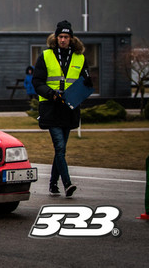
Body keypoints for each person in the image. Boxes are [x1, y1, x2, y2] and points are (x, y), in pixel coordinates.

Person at [32, 20, 92, 199]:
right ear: (56, 38)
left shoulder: (80, 57)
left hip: (69, 109)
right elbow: (37, 82)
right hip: (51, 107)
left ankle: (52, 184)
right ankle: (67, 183)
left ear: (71, 38)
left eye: (66, 37)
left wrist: (87, 82)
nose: (63, 40)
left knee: (61, 150)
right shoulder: (46, 56)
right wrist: (52, 94)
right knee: (60, 147)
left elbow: (86, 81)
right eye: (60, 37)